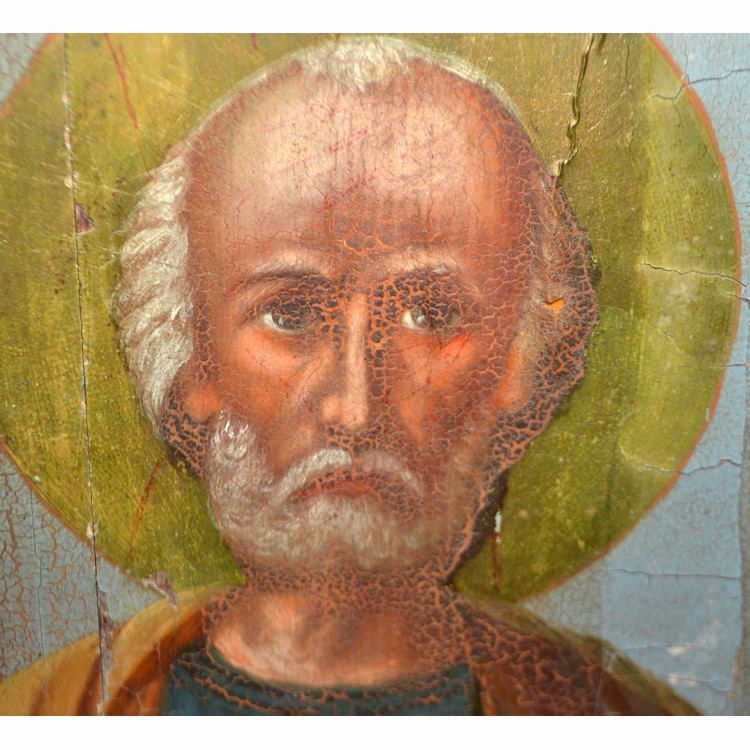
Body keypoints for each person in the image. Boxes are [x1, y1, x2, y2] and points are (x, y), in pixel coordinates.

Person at [0, 37, 696, 715]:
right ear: (192, 356)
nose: (354, 409)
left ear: (516, 356)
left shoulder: (621, 718)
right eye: (289, 314)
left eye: (431, 313)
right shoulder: (48, 713)